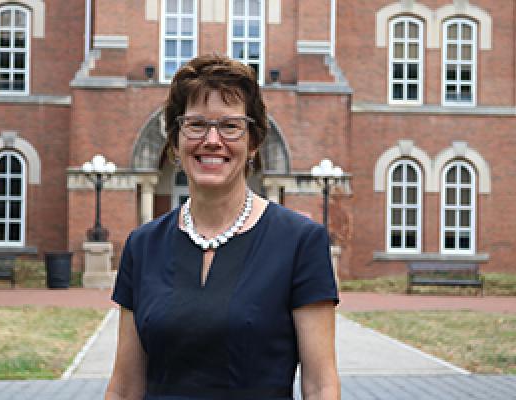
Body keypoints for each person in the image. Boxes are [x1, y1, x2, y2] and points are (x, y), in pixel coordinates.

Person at [105, 54, 340, 400]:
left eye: (230, 126)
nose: (212, 140)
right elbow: (125, 387)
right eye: (196, 124)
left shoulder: (299, 242)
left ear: (254, 143)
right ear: (175, 140)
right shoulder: (143, 246)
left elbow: (321, 386)